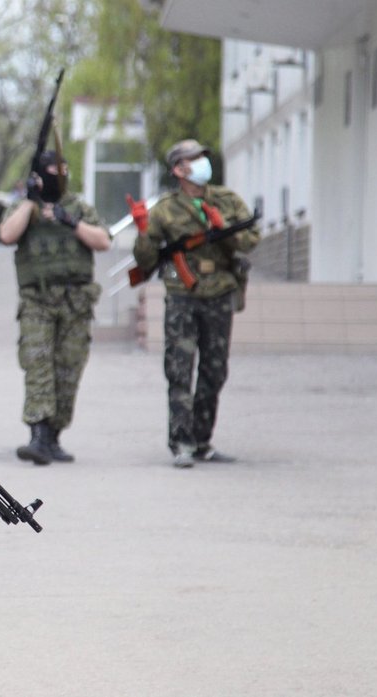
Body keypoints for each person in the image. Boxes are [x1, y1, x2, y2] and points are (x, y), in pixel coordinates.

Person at [131, 139, 260, 468]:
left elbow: (250, 240)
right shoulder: (165, 209)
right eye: (195, 159)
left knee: (214, 370)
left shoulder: (226, 201)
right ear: (179, 169)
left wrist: (224, 230)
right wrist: (144, 230)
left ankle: (202, 440)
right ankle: (182, 442)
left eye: (203, 157)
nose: (203, 162)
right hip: (183, 295)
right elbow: (145, 261)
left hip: (219, 291)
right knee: (179, 368)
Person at [0, 151, 112, 465]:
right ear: (38, 174)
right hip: (37, 302)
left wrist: (69, 220)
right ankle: (38, 435)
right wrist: (30, 202)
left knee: (69, 368)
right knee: (38, 365)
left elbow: (103, 241)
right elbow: (6, 234)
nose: (59, 172)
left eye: (64, 166)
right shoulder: (26, 207)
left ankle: (53, 437)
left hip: (76, 303)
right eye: (52, 167)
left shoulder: (78, 206)